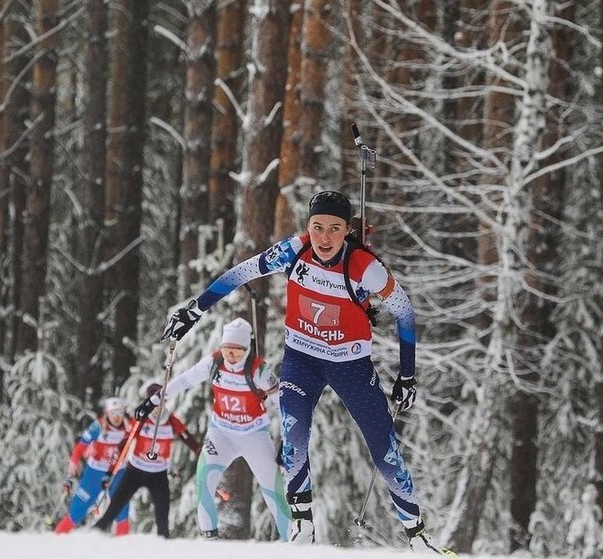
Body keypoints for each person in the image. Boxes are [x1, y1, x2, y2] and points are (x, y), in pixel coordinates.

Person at [160, 190, 453, 555]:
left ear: (347, 230)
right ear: (308, 227)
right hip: (302, 359)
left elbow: (405, 313)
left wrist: (407, 375)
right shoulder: (293, 251)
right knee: (293, 433)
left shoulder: (365, 267)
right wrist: (194, 310)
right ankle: (302, 522)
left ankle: (417, 535)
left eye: (334, 228)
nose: (324, 237)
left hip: (350, 365)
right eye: (317, 227)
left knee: (384, 447)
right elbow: (240, 273)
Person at [135, 317, 292, 541]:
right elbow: (185, 380)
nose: (231, 357)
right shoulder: (214, 363)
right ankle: (209, 540)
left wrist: (287, 440)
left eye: (238, 352)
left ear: (247, 350)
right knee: (204, 480)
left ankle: (294, 545)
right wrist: (153, 400)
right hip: (221, 434)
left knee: (272, 490)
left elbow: (280, 403)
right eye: (227, 350)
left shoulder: (259, 370)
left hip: (254, 436)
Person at [93, 384, 200, 538]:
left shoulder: (171, 421)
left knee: (162, 513)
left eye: (162, 403)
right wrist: (110, 472)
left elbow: (187, 437)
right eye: (155, 403)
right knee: (116, 505)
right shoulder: (142, 419)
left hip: (158, 474)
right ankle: (96, 532)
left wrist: (198, 450)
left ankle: (163, 543)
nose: (158, 408)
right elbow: (124, 444)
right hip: (136, 471)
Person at [55, 397, 132, 535]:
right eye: (113, 413)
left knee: (122, 509)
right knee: (78, 509)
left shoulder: (129, 425)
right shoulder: (97, 426)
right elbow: (79, 448)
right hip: (95, 472)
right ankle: (58, 538)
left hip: (118, 472)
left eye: (120, 413)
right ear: (106, 413)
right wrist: (73, 466)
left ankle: (123, 546)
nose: (116, 417)